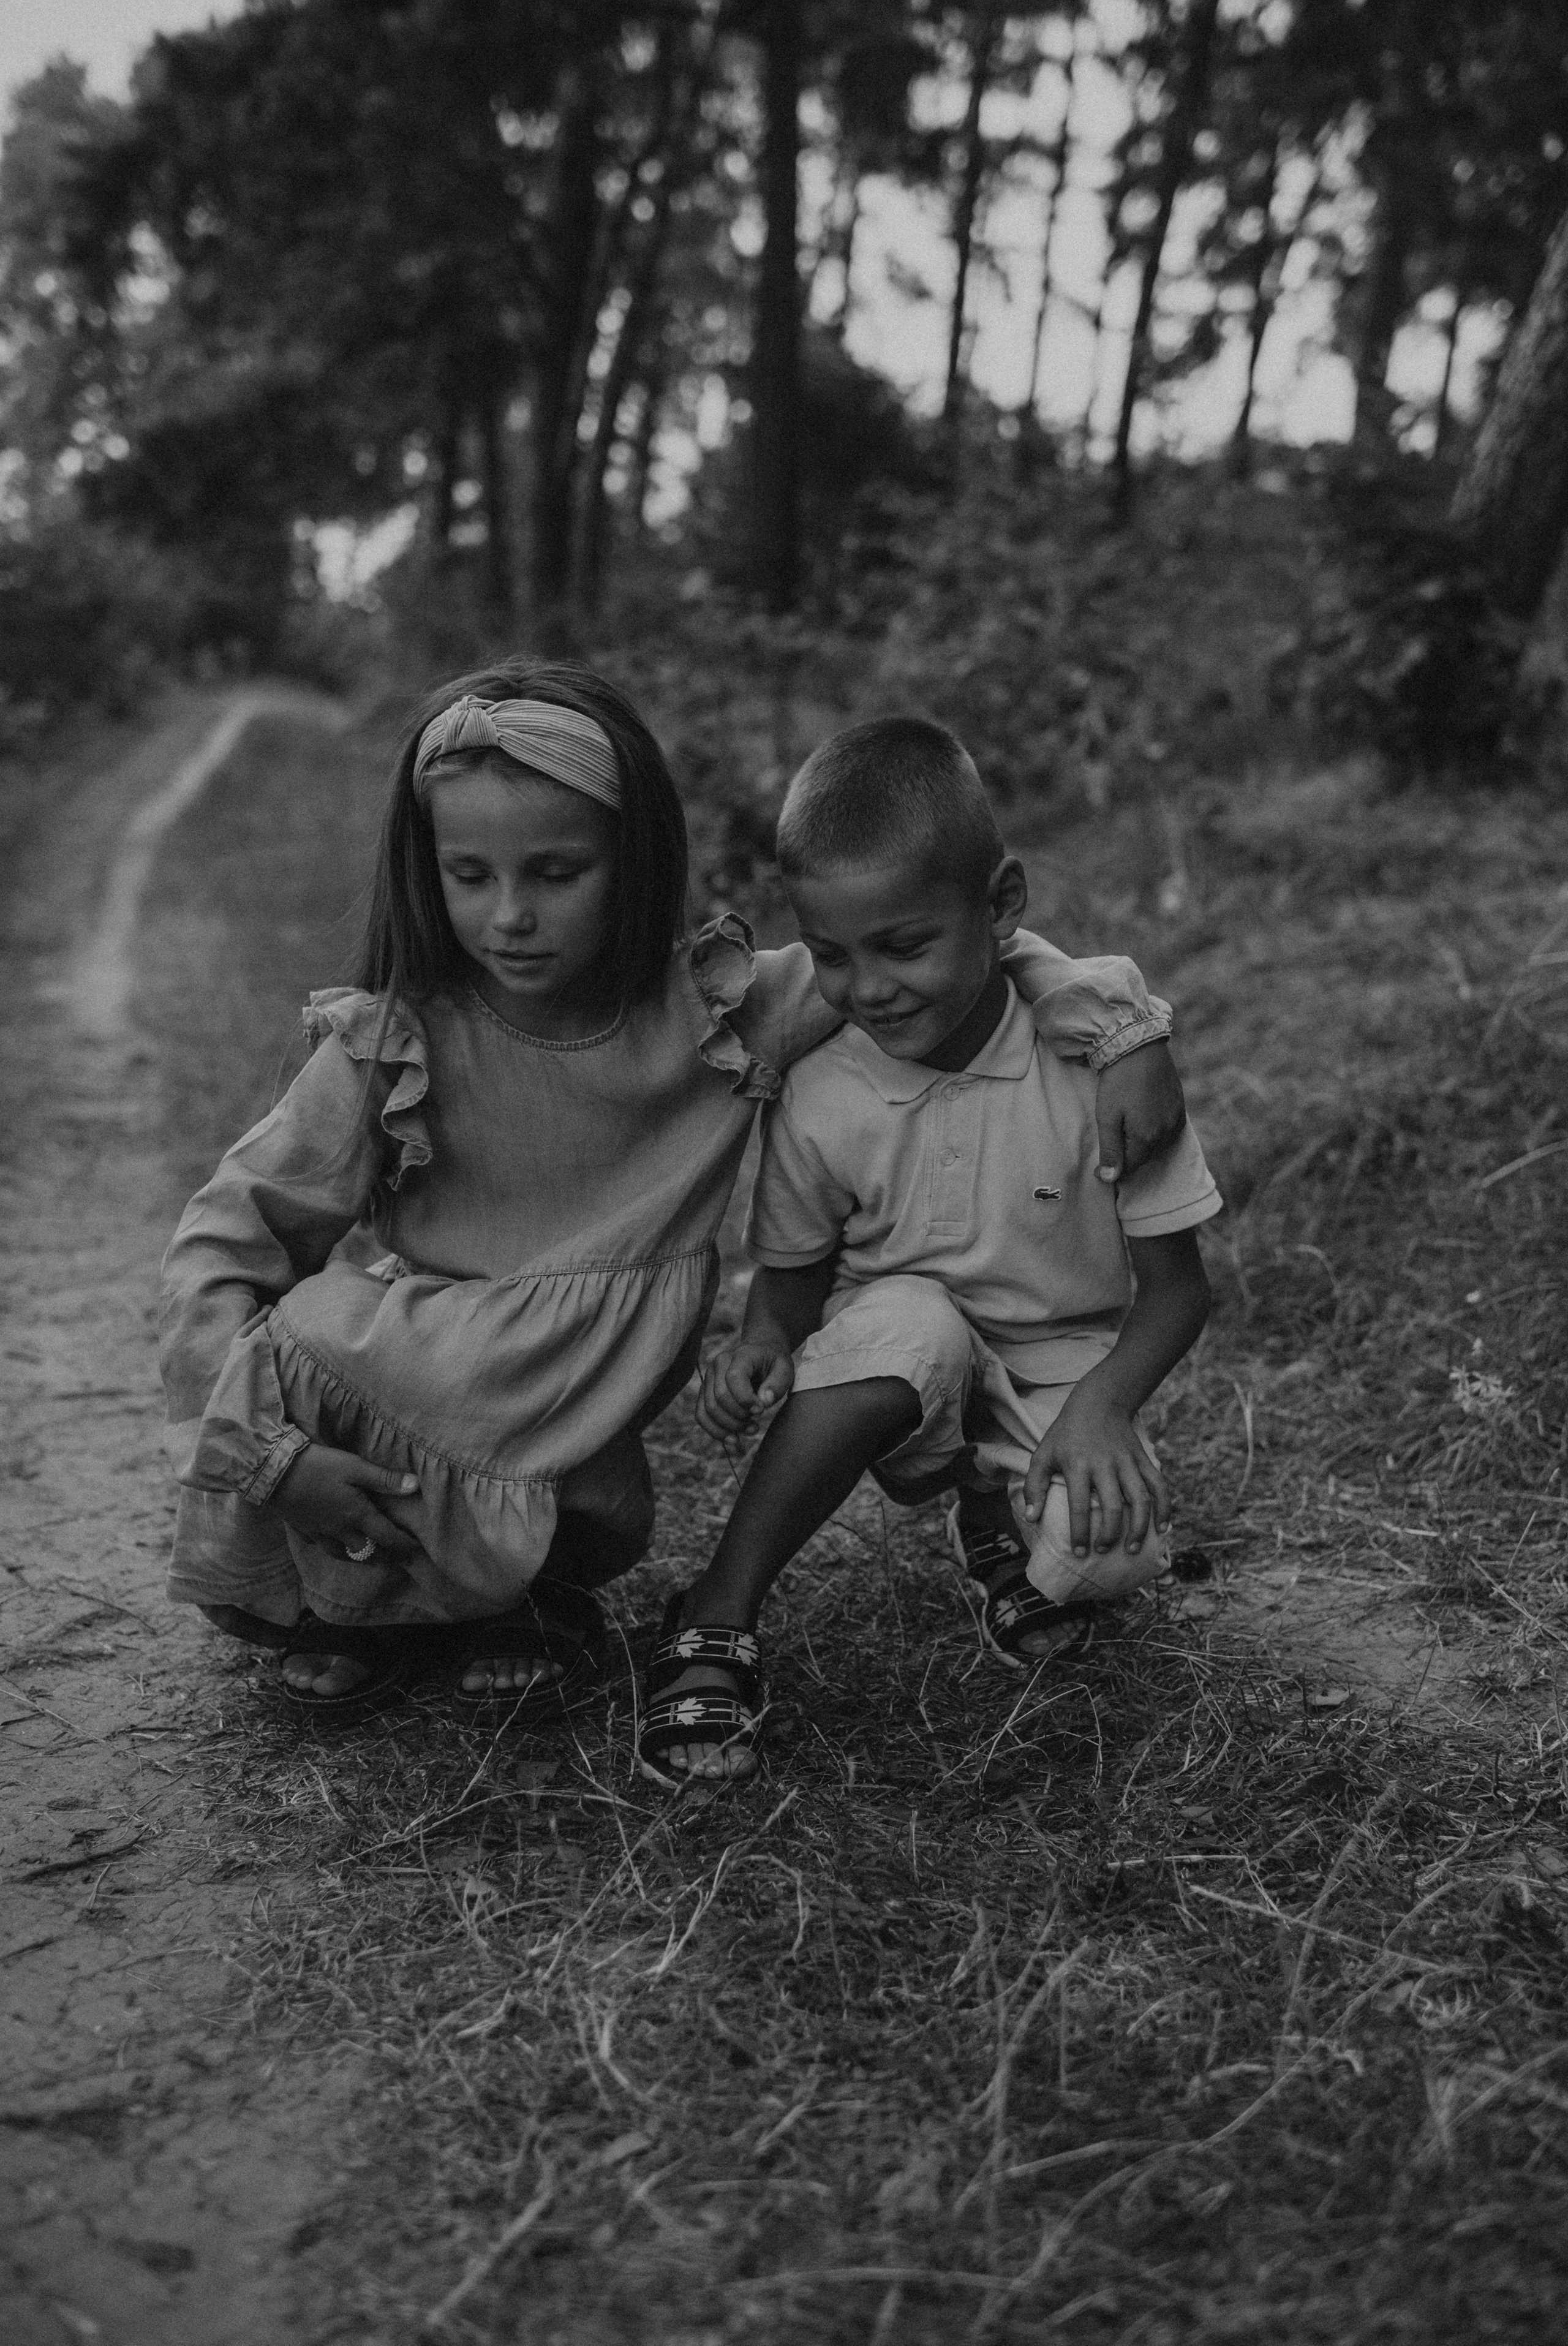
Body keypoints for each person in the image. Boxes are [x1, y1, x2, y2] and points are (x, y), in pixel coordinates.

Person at [160, 668, 1188, 1713]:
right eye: (470, 875)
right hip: (420, 1378)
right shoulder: (396, 1045)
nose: (510, 916)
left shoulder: (715, 1013)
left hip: (571, 1428)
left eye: (557, 872)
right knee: (317, 1335)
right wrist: (274, 1457)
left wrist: (1122, 1026)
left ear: (633, 858)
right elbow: (225, 1238)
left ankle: (533, 1597)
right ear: (429, 872)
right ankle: (346, 1610)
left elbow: (957, 938)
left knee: (555, 1484)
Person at [642, 715, 1220, 1787]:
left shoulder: (1106, 1065)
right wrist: (765, 1338)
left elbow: (1180, 1292)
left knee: (1112, 1548)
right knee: (916, 1325)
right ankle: (717, 1608)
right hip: (898, 1358)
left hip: (1063, 1365)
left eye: (904, 946)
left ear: (1001, 907)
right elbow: (797, 1271)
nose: (867, 989)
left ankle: (999, 1524)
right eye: (832, 957)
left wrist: (1102, 1409)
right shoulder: (821, 1093)